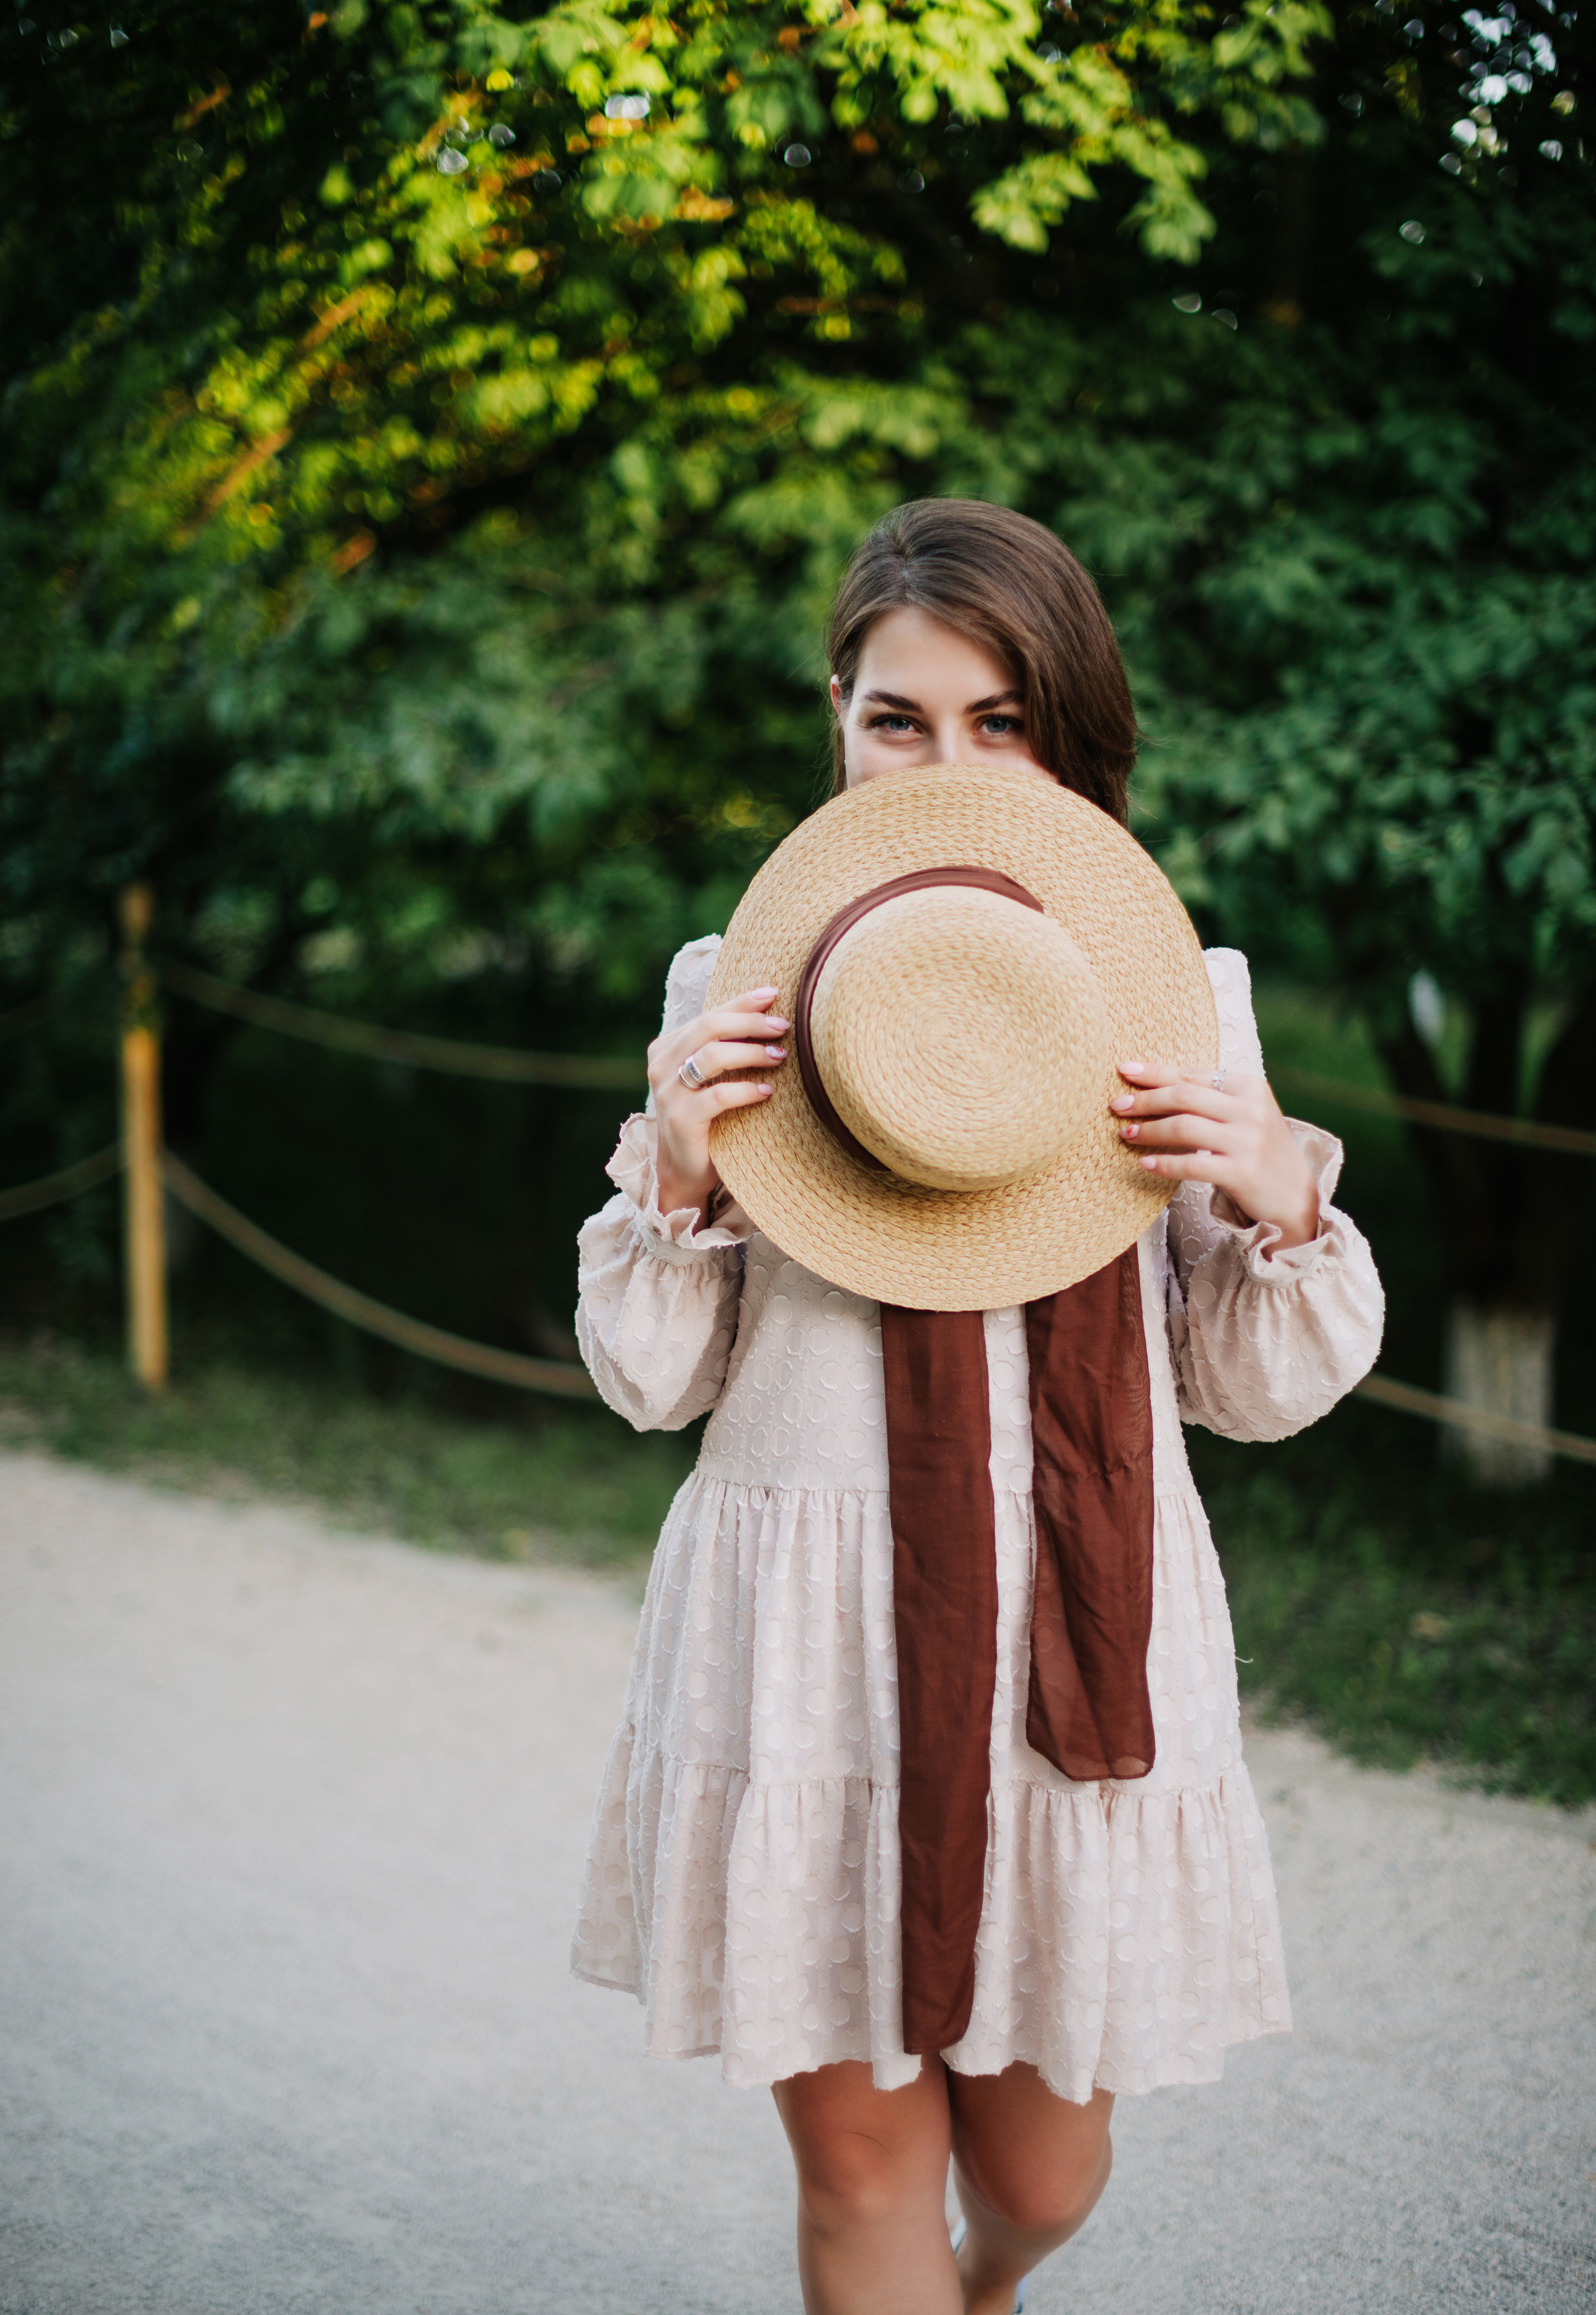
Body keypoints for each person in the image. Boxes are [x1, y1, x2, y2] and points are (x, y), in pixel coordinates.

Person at [571, 498, 1384, 2315]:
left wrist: (1272, 1189)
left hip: (1071, 1630)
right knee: (860, 2165)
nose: (946, 762)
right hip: (810, 1637)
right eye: (898, 717)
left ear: (1073, 734)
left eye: (999, 719)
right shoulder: (741, 989)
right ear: (838, 722)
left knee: (1041, 2168)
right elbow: (648, 1380)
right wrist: (683, 1181)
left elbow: (1252, 1392)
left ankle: (990, 2277)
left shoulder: (1180, 996)